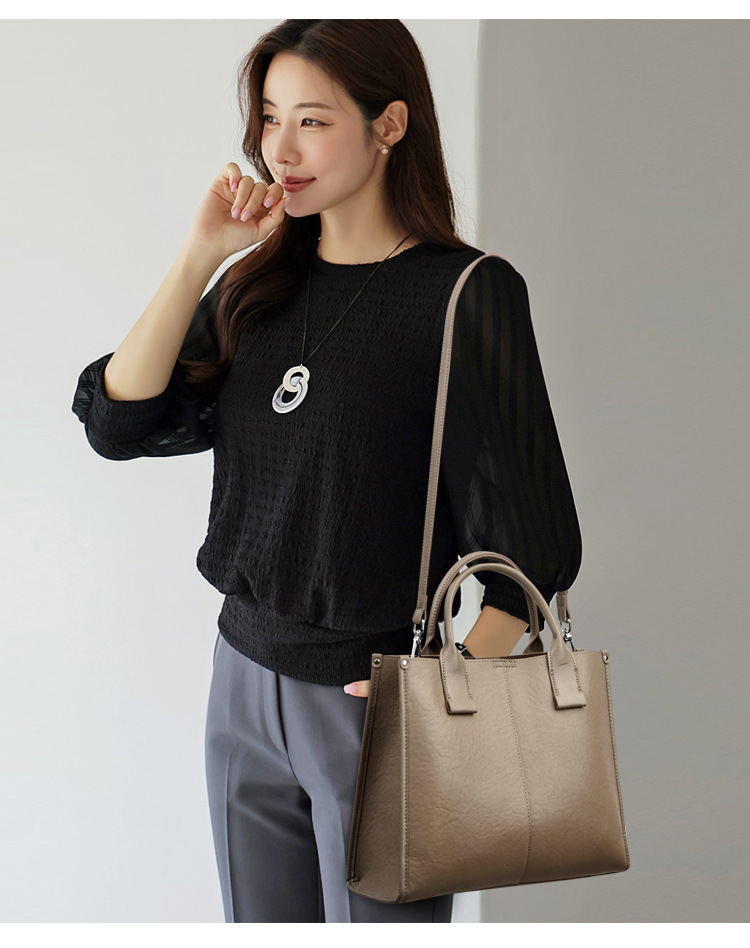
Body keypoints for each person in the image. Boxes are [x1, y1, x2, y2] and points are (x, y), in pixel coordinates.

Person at [71, 19, 582, 923]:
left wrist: (438, 694)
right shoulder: (256, 288)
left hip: (371, 700)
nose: (280, 149)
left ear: (391, 124)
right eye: (269, 119)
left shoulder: (465, 294)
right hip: (239, 680)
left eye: (311, 120)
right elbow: (118, 421)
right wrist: (201, 255)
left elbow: (534, 550)